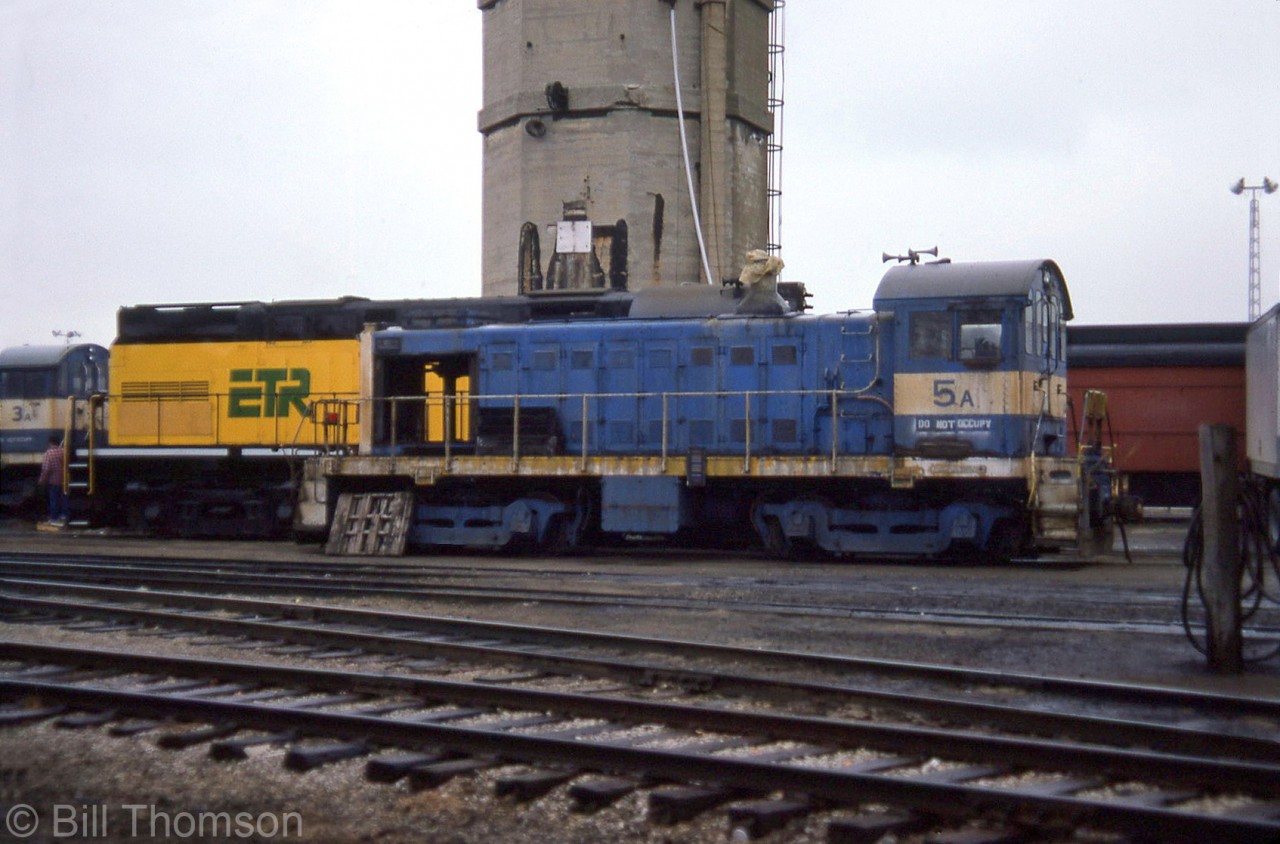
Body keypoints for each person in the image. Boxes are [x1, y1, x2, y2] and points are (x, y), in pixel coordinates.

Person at [37, 434, 68, 525]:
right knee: (64, 499)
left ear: (50, 443)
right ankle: (64, 516)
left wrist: (41, 480)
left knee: (54, 500)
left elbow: (46, 469)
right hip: (64, 479)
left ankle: (54, 518)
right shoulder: (63, 451)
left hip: (54, 481)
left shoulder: (48, 454)